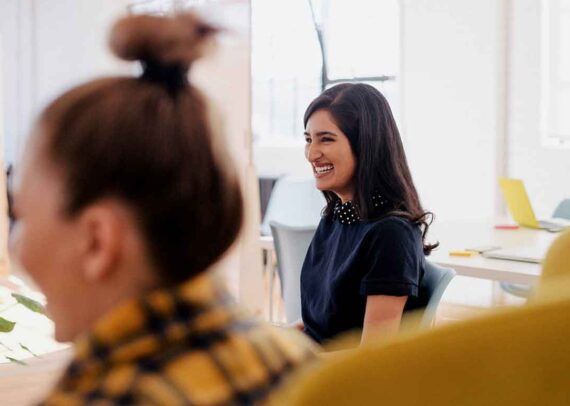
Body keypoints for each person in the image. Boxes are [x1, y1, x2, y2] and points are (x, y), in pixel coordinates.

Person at [11, 13, 315, 405]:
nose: (14, 248)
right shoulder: (295, 362)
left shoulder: (98, 397)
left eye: (21, 217)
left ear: (97, 240)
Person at [300, 83, 438, 345]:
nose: (311, 154)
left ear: (366, 145)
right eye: (308, 139)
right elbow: (318, 327)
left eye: (326, 139)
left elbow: (371, 352)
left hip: (336, 370)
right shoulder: (334, 217)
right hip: (313, 360)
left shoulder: (391, 235)